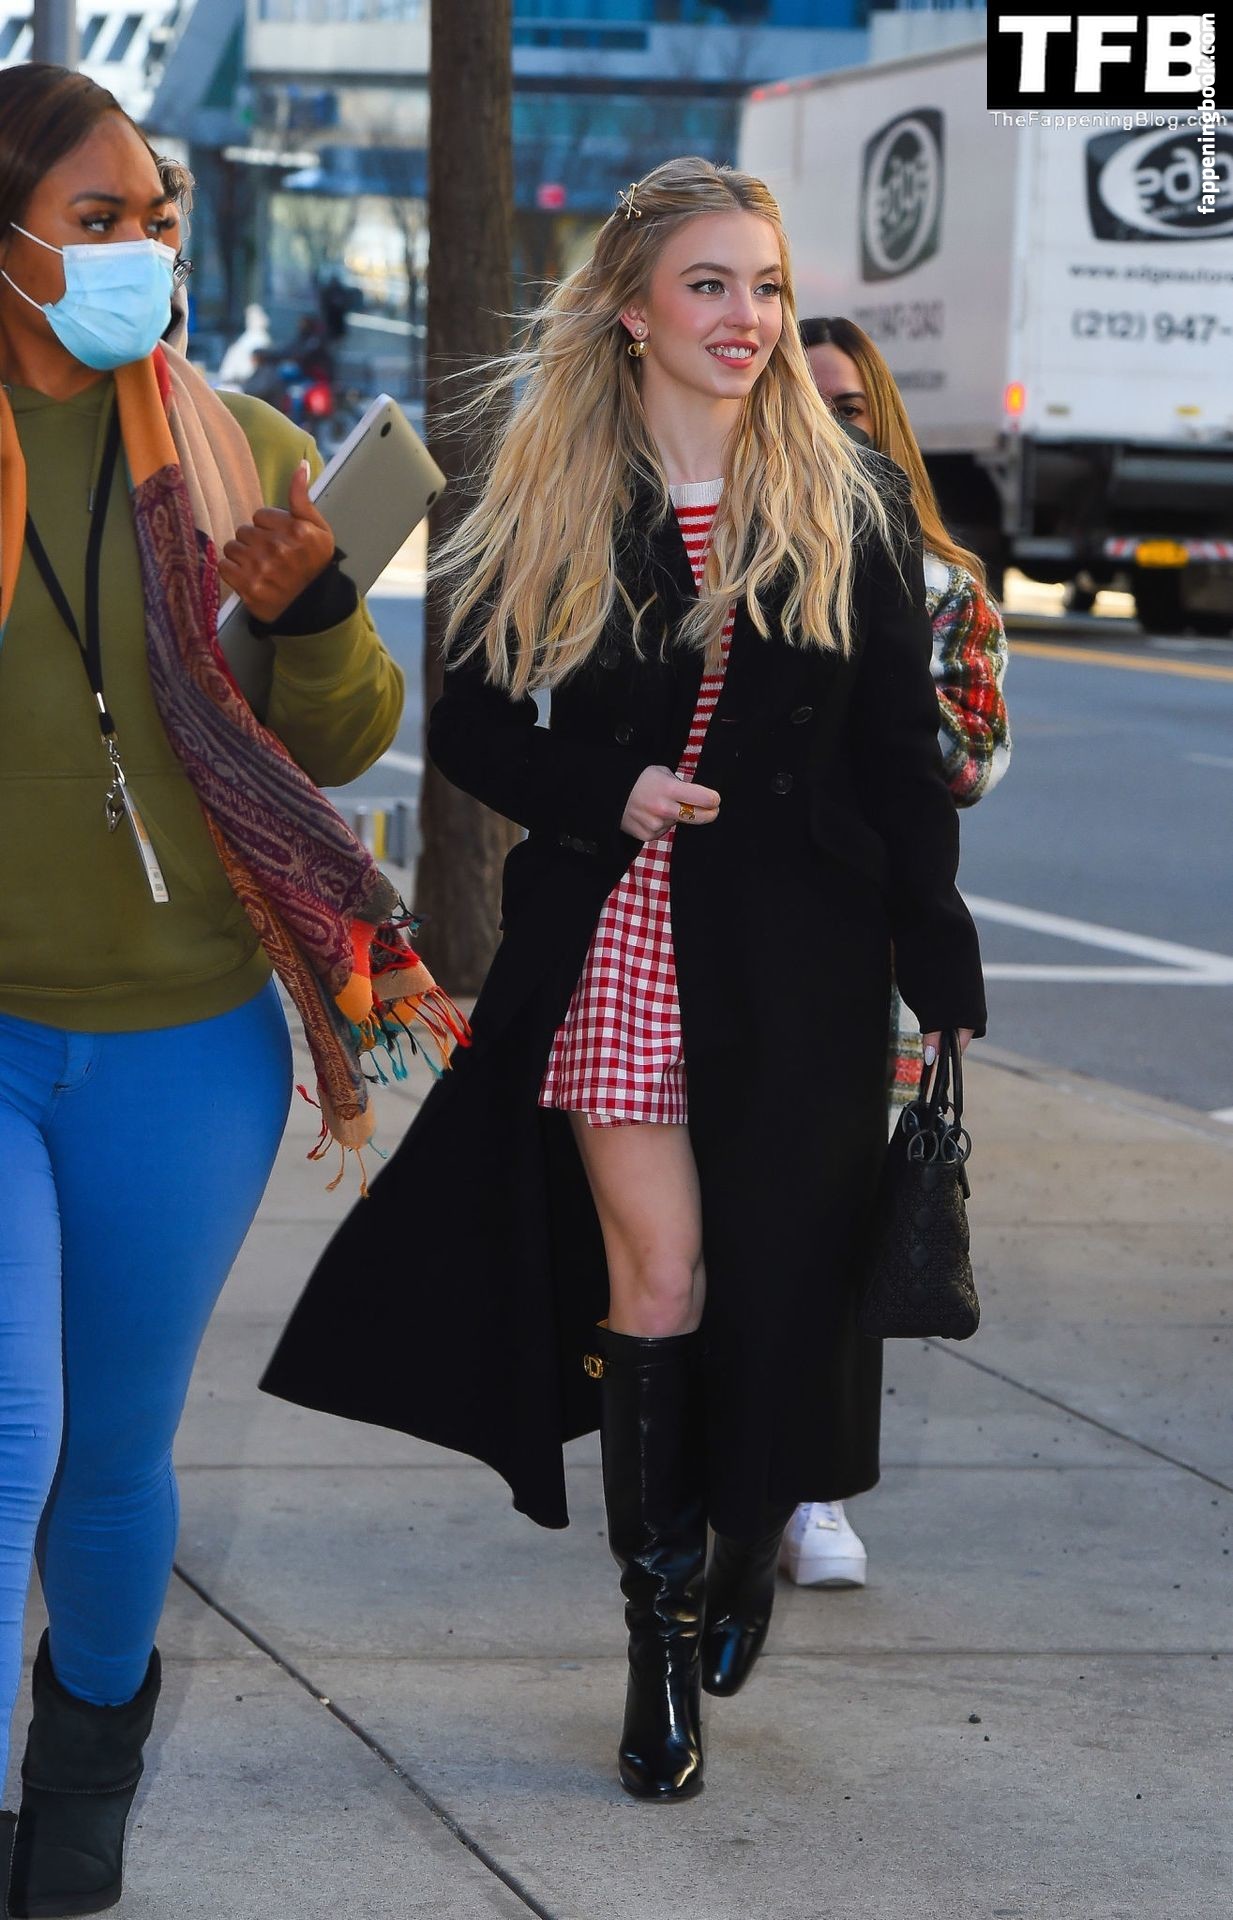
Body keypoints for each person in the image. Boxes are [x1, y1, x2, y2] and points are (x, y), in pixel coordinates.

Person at [262, 157, 987, 1803]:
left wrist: (935, 951)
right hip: (618, 945)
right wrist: (611, 790)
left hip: (802, 954)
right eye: (710, 286)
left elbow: (898, 750)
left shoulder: (851, 498)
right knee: (655, 1281)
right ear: (631, 309)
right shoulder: (548, 493)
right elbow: (474, 726)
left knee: (778, 1285)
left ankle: (740, 1540)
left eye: (767, 287)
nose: (747, 318)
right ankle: (657, 1646)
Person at [0, 64, 409, 1917]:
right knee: (7, 1432)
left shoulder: (237, 443)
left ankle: (90, 1742)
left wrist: (309, 607)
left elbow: (343, 734)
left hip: (186, 1041)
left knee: (110, 1451)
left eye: (156, 218)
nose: (142, 252)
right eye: (97, 220)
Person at [779, 315, 1011, 1591]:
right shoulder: (727, 549)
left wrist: (872, 698)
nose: (827, 426)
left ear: (886, 425)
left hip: (871, 956)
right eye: (805, 402)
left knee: (840, 1225)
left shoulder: (941, 584)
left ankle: (814, 1490)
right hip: (732, 934)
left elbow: (968, 762)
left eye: (850, 408)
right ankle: (717, 1467)